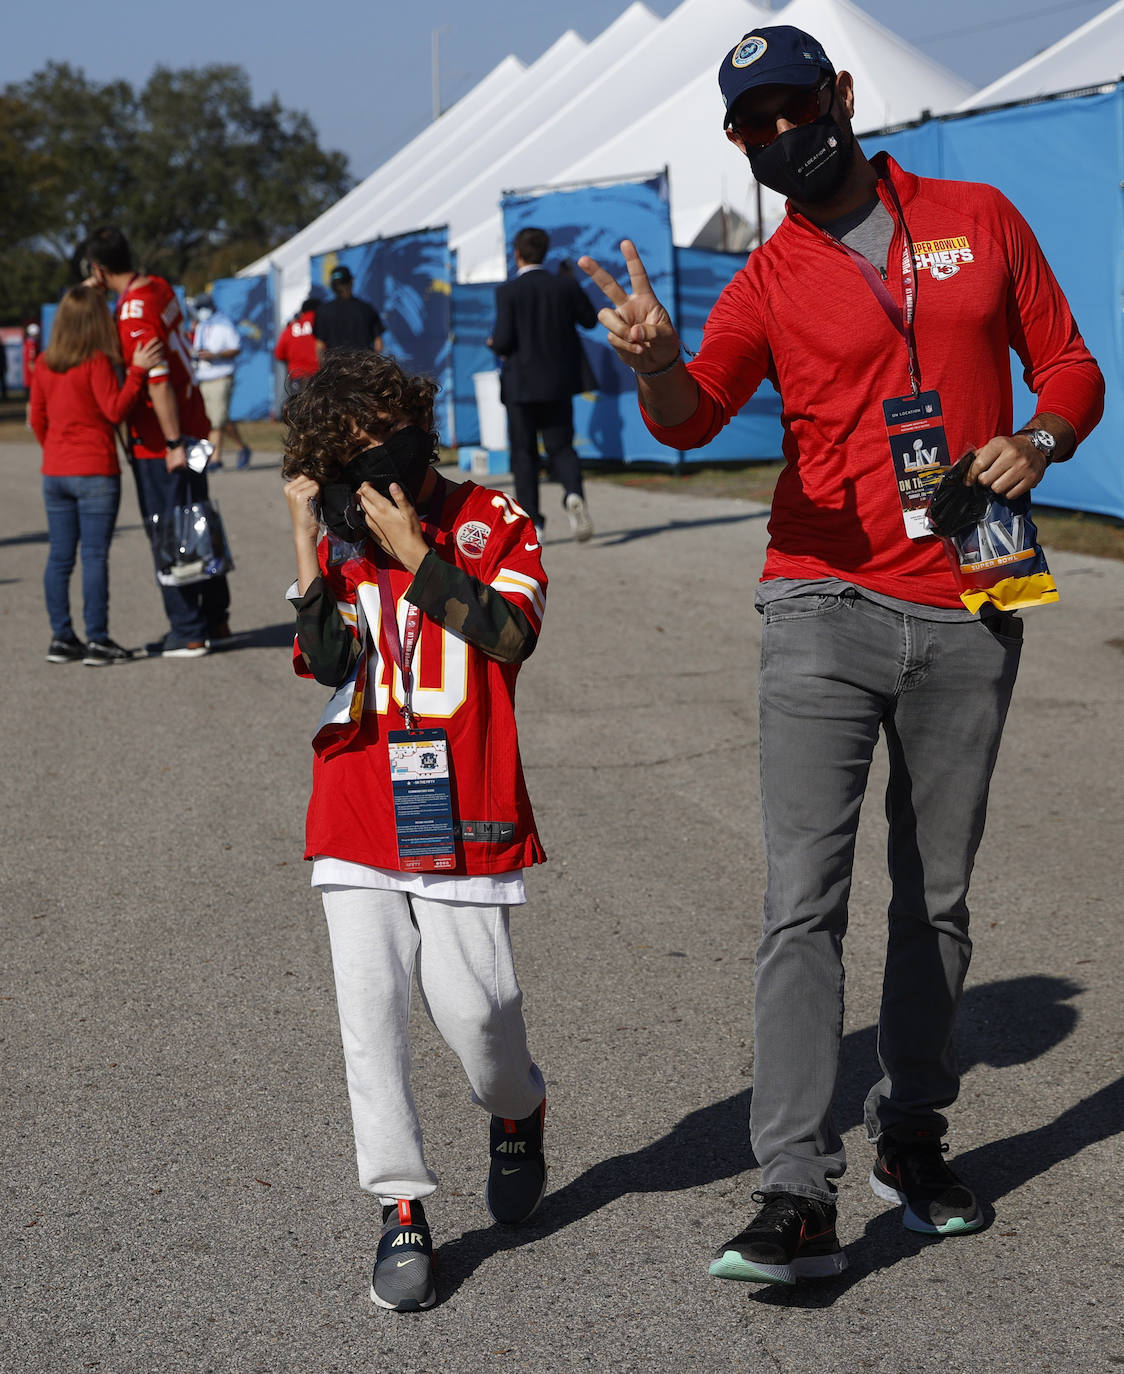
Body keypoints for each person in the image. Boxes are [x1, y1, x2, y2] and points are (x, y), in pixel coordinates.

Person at [580, 24, 1104, 1286]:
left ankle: (911, 1138)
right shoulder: (765, 281)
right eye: (747, 128)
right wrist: (654, 365)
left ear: (841, 97)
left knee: (934, 898)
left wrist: (1038, 440)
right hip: (819, 600)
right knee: (800, 902)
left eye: (787, 111)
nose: (774, 139)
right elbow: (692, 413)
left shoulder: (979, 217)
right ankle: (791, 1192)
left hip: (974, 594)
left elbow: (1071, 364)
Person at [281, 349, 548, 1313]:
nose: (366, 464)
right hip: (356, 794)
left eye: (377, 441)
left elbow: (510, 639)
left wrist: (417, 556)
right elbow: (322, 659)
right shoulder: (342, 530)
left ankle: (518, 1111)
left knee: (478, 1016)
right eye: (344, 453)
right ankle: (400, 1207)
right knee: (371, 1012)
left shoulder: (494, 519)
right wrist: (302, 538)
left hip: (464, 799)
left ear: (416, 424)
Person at [83, 225, 231, 657]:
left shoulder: (131, 312)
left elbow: (158, 381)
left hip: (162, 437)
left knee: (170, 528)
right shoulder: (159, 286)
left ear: (98, 268)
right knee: (197, 517)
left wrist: (170, 444)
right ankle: (215, 616)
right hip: (191, 421)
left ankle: (187, 629)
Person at [28, 286, 163, 664]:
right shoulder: (97, 361)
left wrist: (55, 449)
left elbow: (37, 418)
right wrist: (136, 371)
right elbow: (115, 409)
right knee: (93, 556)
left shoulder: (43, 363)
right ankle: (98, 639)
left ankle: (61, 637)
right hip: (94, 470)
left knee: (59, 557)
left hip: (55, 470)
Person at [490, 226, 597, 541]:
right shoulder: (563, 287)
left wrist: (494, 343)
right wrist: (573, 285)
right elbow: (590, 320)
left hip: (521, 386)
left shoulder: (508, 292)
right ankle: (573, 493)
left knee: (524, 454)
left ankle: (533, 523)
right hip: (558, 383)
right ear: (545, 252)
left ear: (517, 253)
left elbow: (504, 341)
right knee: (562, 447)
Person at [191, 294, 251, 470]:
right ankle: (242, 447)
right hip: (202, 377)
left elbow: (236, 348)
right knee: (215, 418)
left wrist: (216, 355)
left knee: (215, 421)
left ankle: (212, 460)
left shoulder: (225, 324)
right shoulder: (201, 326)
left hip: (220, 376)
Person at [313, 265, 383, 361]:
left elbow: (319, 346)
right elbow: (378, 345)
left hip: (336, 369)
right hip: (363, 368)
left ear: (333, 286)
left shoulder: (323, 310)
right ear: (352, 281)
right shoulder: (366, 309)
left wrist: (325, 370)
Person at [273, 296, 320, 392]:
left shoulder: (291, 327)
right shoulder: (322, 323)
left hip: (297, 378)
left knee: (299, 406)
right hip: (319, 376)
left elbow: (279, 354)